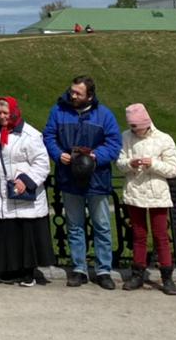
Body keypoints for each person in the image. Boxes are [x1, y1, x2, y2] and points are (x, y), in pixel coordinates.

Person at [43, 75, 123, 289]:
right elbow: (49, 136)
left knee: (102, 225)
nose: (73, 95)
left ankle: (103, 269)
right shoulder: (59, 111)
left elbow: (115, 142)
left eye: (78, 93)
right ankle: (79, 268)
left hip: (96, 178)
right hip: (70, 177)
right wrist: (59, 154)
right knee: (75, 225)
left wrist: (97, 155)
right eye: (72, 91)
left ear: (90, 96)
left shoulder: (103, 115)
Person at [0, 96, 52, 286]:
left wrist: (26, 181)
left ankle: (27, 272)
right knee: (8, 234)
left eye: (5, 113)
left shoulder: (30, 135)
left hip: (22, 193)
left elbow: (42, 164)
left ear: (13, 112)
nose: (2, 116)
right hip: (0, 193)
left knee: (25, 233)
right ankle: (10, 270)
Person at [117, 103, 176, 295]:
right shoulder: (126, 137)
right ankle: (138, 273)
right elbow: (119, 163)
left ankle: (167, 277)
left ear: (146, 123)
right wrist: (131, 163)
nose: (134, 130)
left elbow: (173, 169)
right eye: (132, 126)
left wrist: (153, 163)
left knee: (161, 236)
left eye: (137, 126)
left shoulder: (164, 139)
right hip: (135, 191)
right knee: (138, 234)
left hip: (157, 193)